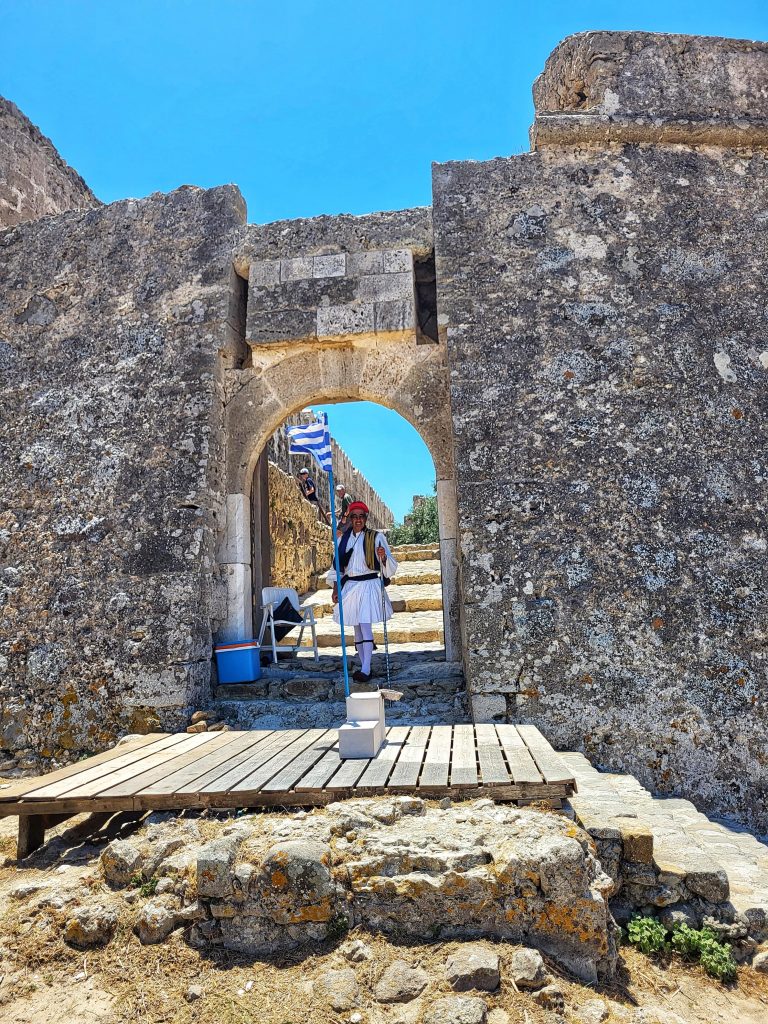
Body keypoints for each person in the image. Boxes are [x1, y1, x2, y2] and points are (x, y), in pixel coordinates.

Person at [327, 501, 399, 682]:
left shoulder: (376, 537)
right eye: (354, 516)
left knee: (365, 625)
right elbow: (337, 566)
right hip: (350, 586)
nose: (358, 520)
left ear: (366, 518)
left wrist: (382, 557)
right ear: (350, 518)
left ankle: (366, 669)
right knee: (356, 628)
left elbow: (389, 566)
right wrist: (336, 588)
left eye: (361, 516)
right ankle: (362, 664)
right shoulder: (343, 539)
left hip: (368, 585)